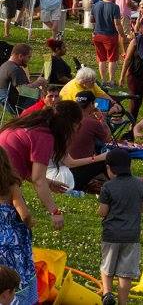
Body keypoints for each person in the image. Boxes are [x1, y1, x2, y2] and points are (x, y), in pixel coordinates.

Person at [0, 101, 81, 234]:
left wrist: (48, 183)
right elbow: (38, 179)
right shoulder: (44, 136)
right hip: (5, 181)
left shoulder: (32, 124)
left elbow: (23, 165)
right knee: (15, 228)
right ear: (68, 125)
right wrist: (55, 211)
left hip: (5, 174)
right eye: (77, 126)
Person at [98, 148, 143, 305]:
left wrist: (100, 209)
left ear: (109, 168)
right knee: (125, 274)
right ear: (129, 166)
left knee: (107, 267)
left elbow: (103, 212)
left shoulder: (108, 187)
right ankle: (123, 302)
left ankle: (107, 293)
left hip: (111, 234)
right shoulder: (139, 184)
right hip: (132, 236)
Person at [0, 149, 33, 305]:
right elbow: (24, 214)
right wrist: (29, 224)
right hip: (12, 243)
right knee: (17, 278)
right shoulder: (10, 186)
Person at [91, 0, 125, 83]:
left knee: (101, 59)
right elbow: (117, 24)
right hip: (110, 35)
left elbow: (91, 20)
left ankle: (103, 80)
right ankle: (111, 81)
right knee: (112, 59)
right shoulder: (115, 7)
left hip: (97, 35)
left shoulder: (96, 5)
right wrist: (122, 35)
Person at [0, 46, 38, 114]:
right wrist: (38, 83)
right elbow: (24, 91)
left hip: (8, 103)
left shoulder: (4, 66)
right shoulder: (15, 69)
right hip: (19, 105)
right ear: (20, 56)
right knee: (47, 100)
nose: (29, 60)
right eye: (28, 57)